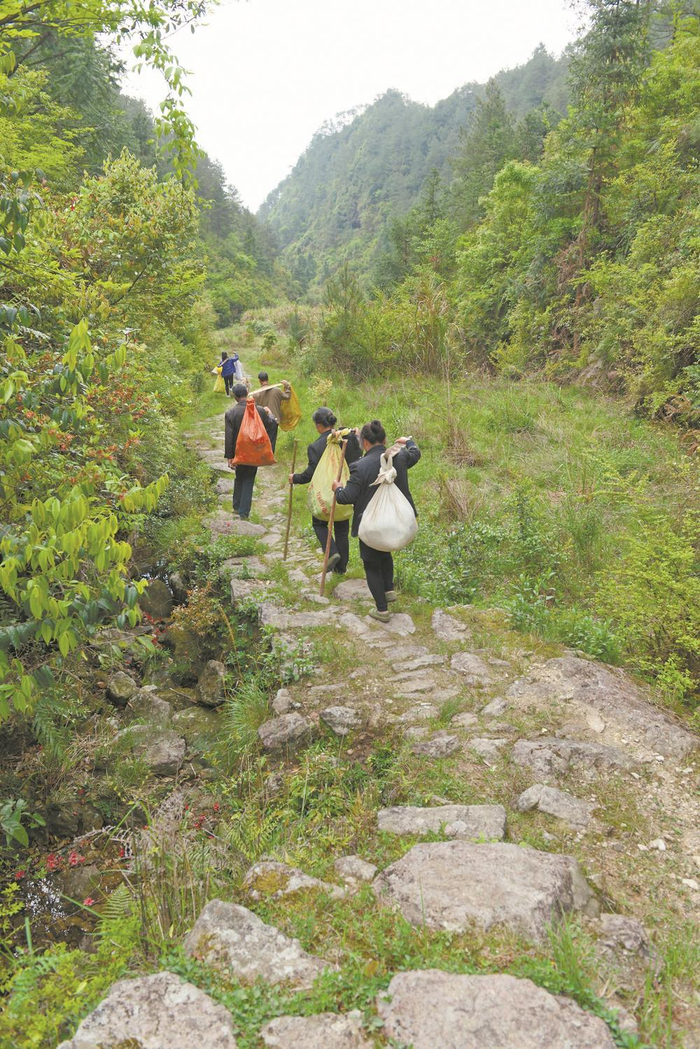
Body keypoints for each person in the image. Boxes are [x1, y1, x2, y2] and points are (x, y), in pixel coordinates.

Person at [332, 420, 420, 622]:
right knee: (385, 552)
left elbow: (347, 497)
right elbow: (415, 454)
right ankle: (388, 590)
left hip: (371, 524)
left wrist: (337, 488)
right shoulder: (398, 457)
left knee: (371, 563)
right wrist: (408, 442)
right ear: (385, 439)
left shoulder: (360, 466)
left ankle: (382, 611)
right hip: (396, 520)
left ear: (364, 443)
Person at [290, 407, 361, 575]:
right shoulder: (347, 439)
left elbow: (310, 474)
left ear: (319, 425)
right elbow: (358, 457)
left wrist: (295, 478)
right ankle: (341, 569)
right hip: (345, 491)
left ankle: (332, 552)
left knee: (319, 523)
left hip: (324, 494)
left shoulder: (316, 446)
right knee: (341, 529)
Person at [224, 384, 278, 520]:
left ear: (235, 397)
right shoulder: (259, 411)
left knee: (239, 476)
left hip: (239, 453)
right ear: (247, 393)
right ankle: (243, 512)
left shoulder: (231, 413)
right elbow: (272, 424)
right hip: (254, 452)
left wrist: (230, 457)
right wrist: (270, 414)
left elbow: (229, 437)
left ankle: (236, 507)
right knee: (249, 478)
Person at [252, 371, 291, 452]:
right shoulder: (277, 390)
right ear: (268, 379)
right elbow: (287, 397)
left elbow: (254, 407)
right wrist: (287, 387)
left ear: (259, 380)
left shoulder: (256, 394)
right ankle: (270, 455)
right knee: (272, 439)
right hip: (274, 419)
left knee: (262, 439)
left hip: (262, 420)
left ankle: (262, 454)